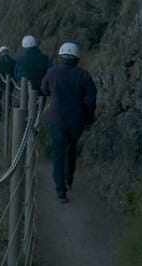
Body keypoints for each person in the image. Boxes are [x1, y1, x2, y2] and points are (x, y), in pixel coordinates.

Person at [40, 42, 97, 203]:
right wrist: (89, 117)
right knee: (70, 149)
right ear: (76, 58)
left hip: (56, 119)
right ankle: (68, 180)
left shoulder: (52, 73)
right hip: (76, 120)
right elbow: (90, 100)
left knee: (58, 154)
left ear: (61, 57)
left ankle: (60, 191)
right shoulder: (84, 75)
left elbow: (43, 89)